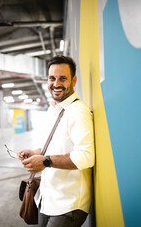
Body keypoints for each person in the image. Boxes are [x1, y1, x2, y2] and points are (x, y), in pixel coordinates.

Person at [18, 55, 95, 227]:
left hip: (68, 205)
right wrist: (35, 153)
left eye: (63, 78)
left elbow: (86, 156)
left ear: (74, 81)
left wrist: (45, 161)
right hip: (48, 200)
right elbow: (56, 146)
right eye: (52, 78)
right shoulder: (54, 110)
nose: (56, 83)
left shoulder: (77, 111)